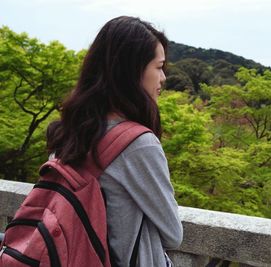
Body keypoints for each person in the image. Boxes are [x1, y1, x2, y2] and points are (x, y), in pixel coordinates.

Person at [46, 16, 183, 266]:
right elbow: (173, 234)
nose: (163, 77)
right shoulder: (139, 144)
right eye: (159, 66)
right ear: (131, 72)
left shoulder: (67, 132)